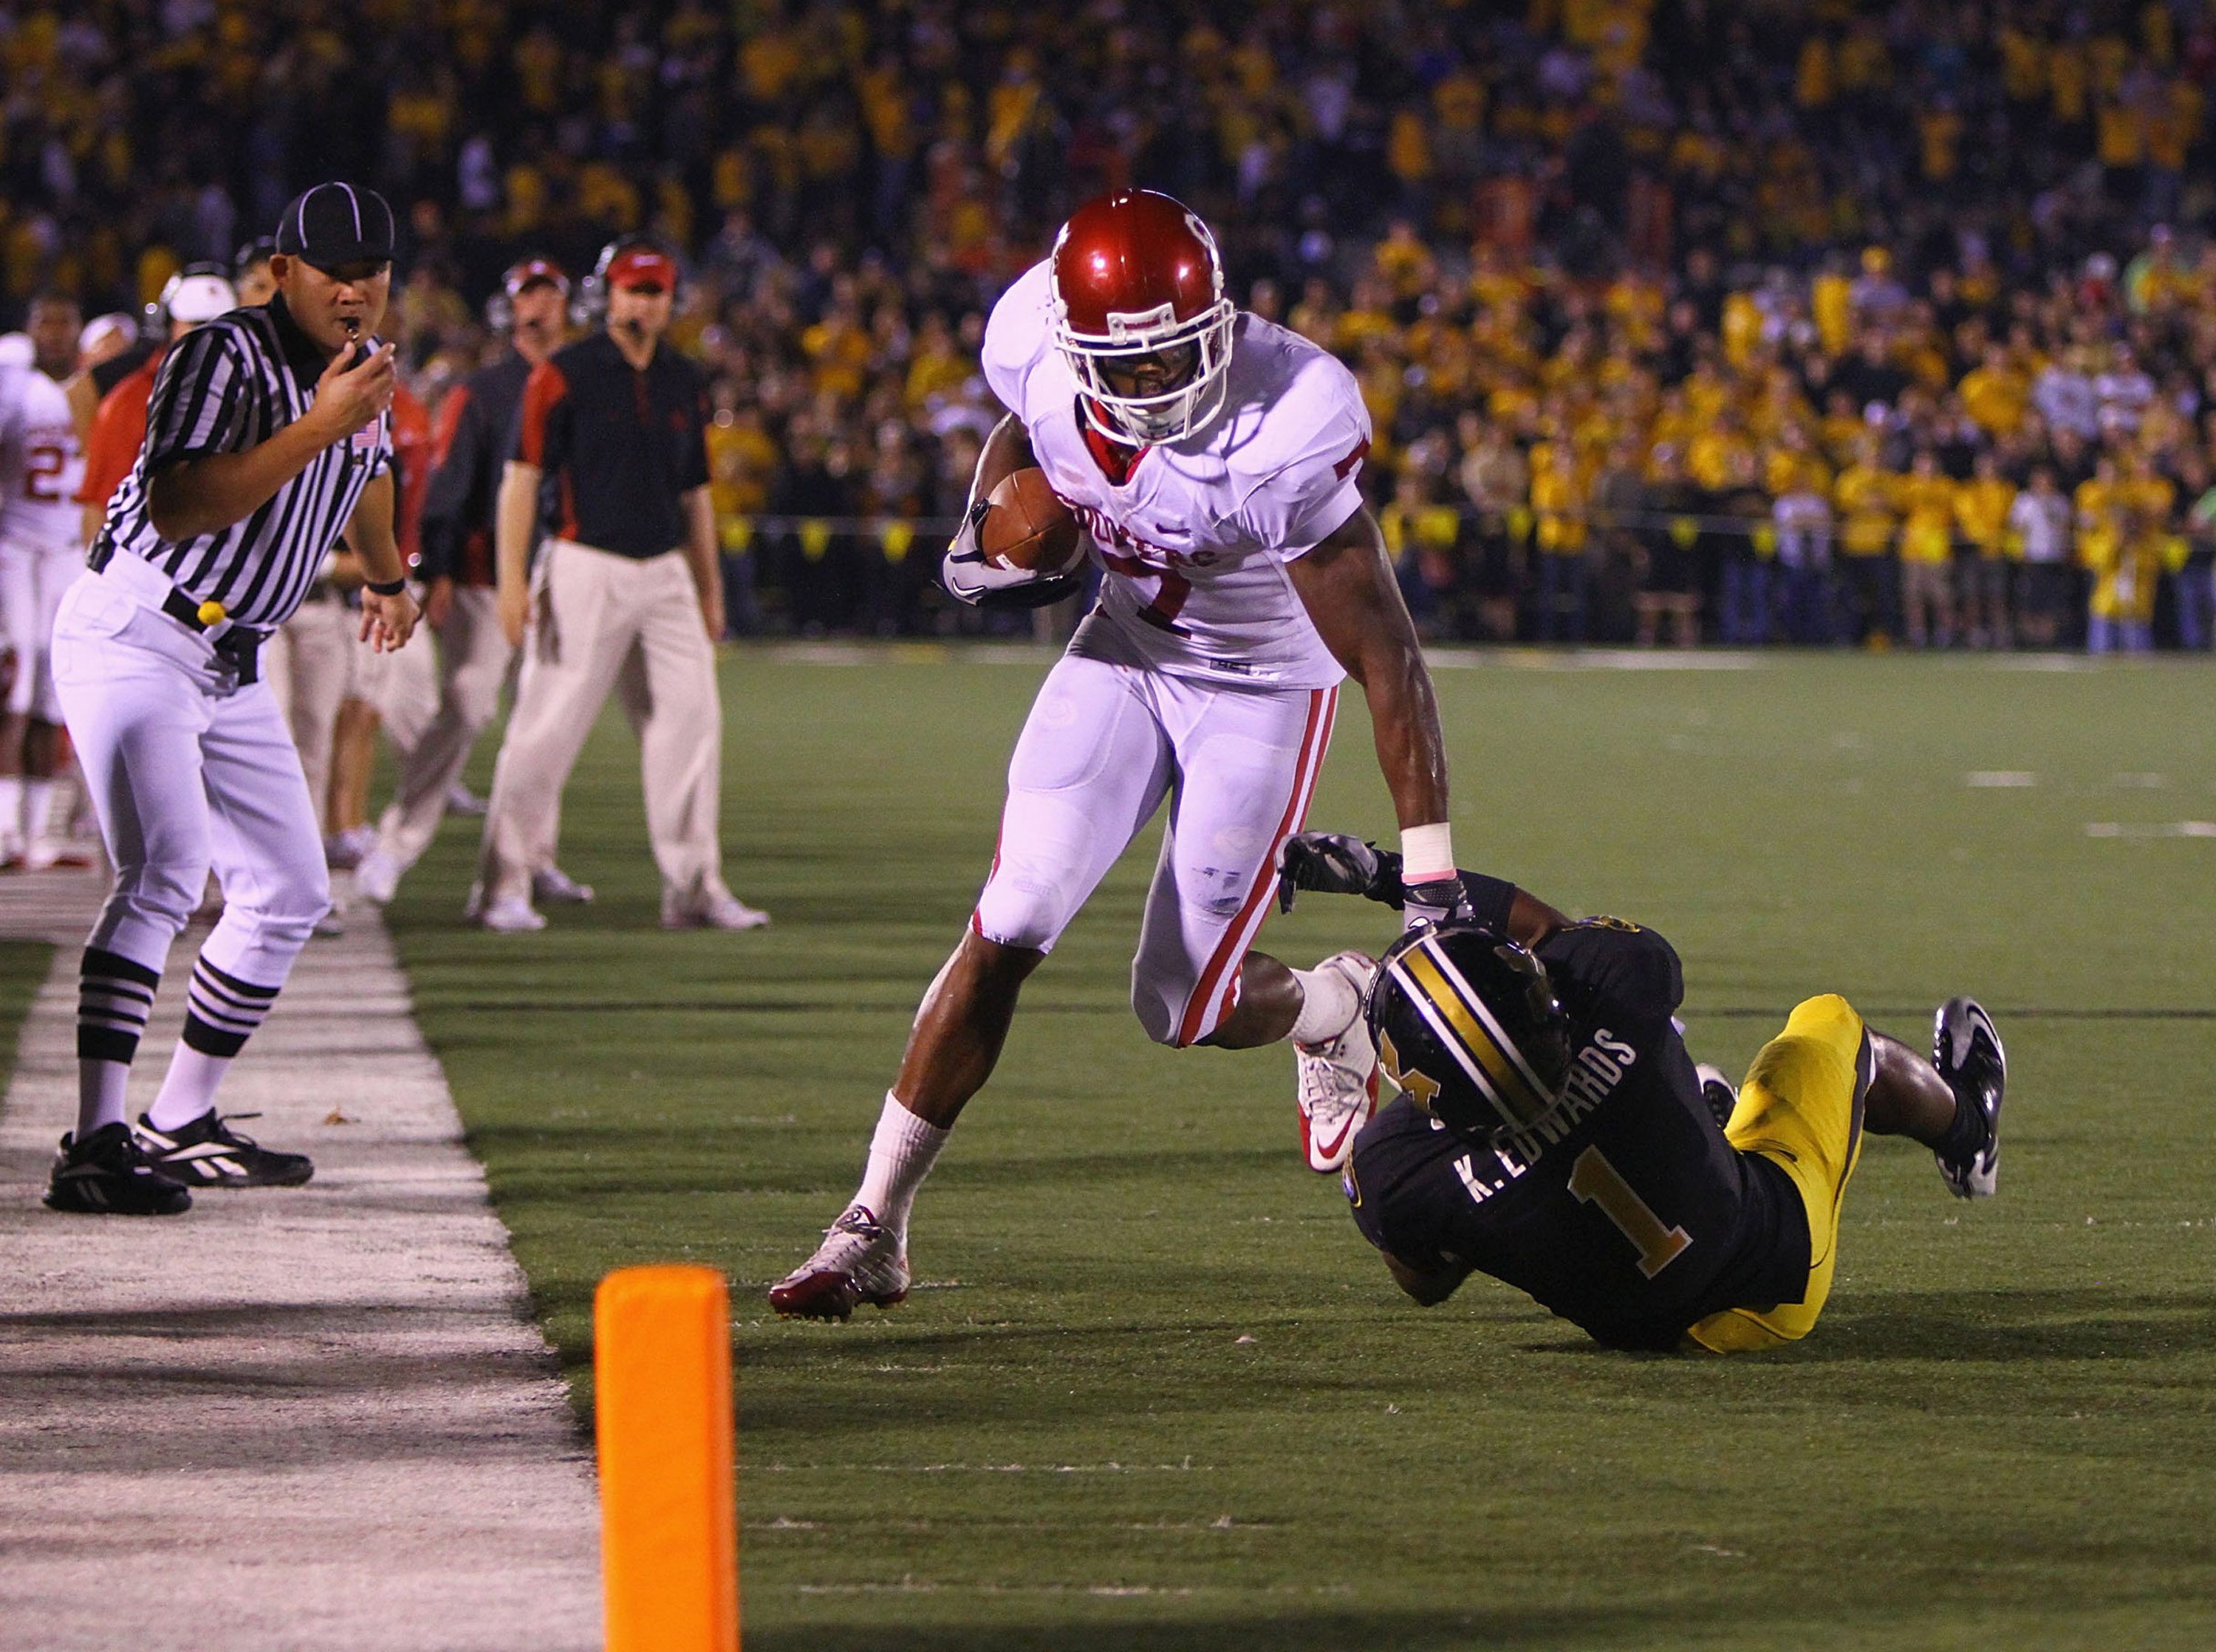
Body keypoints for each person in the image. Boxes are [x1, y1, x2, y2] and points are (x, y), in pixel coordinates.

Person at [770, 189, 1463, 1321]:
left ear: (1220, 323)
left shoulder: (1288, 419)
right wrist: (991, 510)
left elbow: (1388, 653)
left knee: (1179, 1002)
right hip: (1126, 649)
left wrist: (1430, 883)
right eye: (1122, 365)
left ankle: (1331, 1005)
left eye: (1174, 358)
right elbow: (1025, 427)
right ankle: (873, 1222)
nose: (1150, 386)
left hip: (1261, 690)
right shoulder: (1031, 340)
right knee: (1010, 920)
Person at [41, 182, 419, 1216]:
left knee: (291, 892)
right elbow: (182, 501)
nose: (355, 290)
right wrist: (316, 426)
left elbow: (369, 469)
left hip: (228, 653)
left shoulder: (364, 371)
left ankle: (178, 1119)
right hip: (142, 626)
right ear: (281, 274)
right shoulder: (221, 354)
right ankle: (94, 1141)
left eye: (372, 273)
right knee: (163, 873)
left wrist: (386, 577)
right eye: (333, 270)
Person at [1275, 832, 2006, 1353]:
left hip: (1643, 1333)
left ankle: (1700, 1122)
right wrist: (1390, 874)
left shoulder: (1395, 1162)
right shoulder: (1617, 978)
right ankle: (1971, 1129)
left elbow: (1424, 1281)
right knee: (1830, 1026)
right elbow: (1550, 931)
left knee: (1470, 1214)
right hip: (1773, 1268)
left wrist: (1485, 1175)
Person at [469, 239, 765, 933]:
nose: (644, 303)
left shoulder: (684, 379)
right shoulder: (563, 373)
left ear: (671, 301)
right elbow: (520, 481)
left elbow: (696, 494)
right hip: (582, 564)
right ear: (609, 296)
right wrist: (513, 582)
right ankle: (503, 884)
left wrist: (709, 586)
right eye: (633, 290)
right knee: (543, 731)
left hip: (665, 571)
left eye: (655, 291)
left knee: (692, 725)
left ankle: (694, 886)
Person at [355, 258, 583, 908]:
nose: (539, 309)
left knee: (547, 726)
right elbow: (449, 485)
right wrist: (443, 569)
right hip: (488, 575)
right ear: (510, 310)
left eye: (549, 295)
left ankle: (534, 855)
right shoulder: (482, 390)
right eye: (528, 297)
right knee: (463, 709)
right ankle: (395, 845)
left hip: (561, 576)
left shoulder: (579, 382)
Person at [0, 290, 86, 866]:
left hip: (69, 552)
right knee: (14, 680)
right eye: (44, 322)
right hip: (13, 547)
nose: (54, 333)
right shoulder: (15, 386)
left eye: (64, 322)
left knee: (55, 695)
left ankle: (37, 833)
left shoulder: (93, 389)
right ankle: (5, 825)